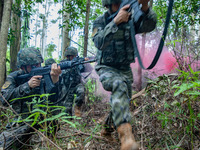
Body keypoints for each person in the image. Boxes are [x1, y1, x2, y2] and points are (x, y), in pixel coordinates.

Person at [92, 0, 157, 149]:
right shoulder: (100, 21)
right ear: (108, 5)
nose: (121, 6)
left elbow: (149, 26)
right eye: (117, 4)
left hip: (124, 68)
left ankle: (106, 129)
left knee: (122, 100)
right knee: (118, 85)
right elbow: (98, 42)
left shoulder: (131, 19)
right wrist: (115, 22)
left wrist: (145, 7)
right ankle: (126, 137)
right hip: (106, 67)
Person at [0, 47, 61, 149]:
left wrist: (55, 80)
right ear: (23, 67)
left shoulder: (44, 75)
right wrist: (27, 86)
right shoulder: (14, 77)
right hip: (21, 123)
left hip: (43, 121)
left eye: (38, 64)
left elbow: (54, 100)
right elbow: (3, 99)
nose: (37, 67)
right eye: (33, 66)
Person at [59, 46, 86, 117]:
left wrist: (84, 63)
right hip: (67, 87)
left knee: (81, 92)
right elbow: (61, 74)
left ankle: (77, 108)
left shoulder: (78, 62)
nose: (74, 58)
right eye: (72, 56)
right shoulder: (63, 64)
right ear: (68, 56)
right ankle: (68, 119)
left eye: (75, 56)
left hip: (77, 84)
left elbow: (86, 70)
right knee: (67, 109)